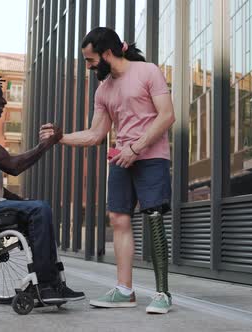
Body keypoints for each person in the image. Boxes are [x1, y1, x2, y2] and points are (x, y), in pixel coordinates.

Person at [41, 27, 175, 314]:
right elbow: (95, 134)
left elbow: (167, 116)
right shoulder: (104, 90)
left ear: (107, 53)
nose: (89, 67)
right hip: (121, 160)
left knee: (153, 218)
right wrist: (60, 137)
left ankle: (163, 294)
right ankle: (125, 291)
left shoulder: (147, 71)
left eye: (90, 61)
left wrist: (136, 148)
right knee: (117, 219)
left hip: (151, 157)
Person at [0, 75, 84, 304]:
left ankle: (54, 284)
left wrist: (24, 202)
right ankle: (44, 285)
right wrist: (47, 144)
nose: (4, 101)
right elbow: (13, 167)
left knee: (40, 208)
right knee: (39, 209)